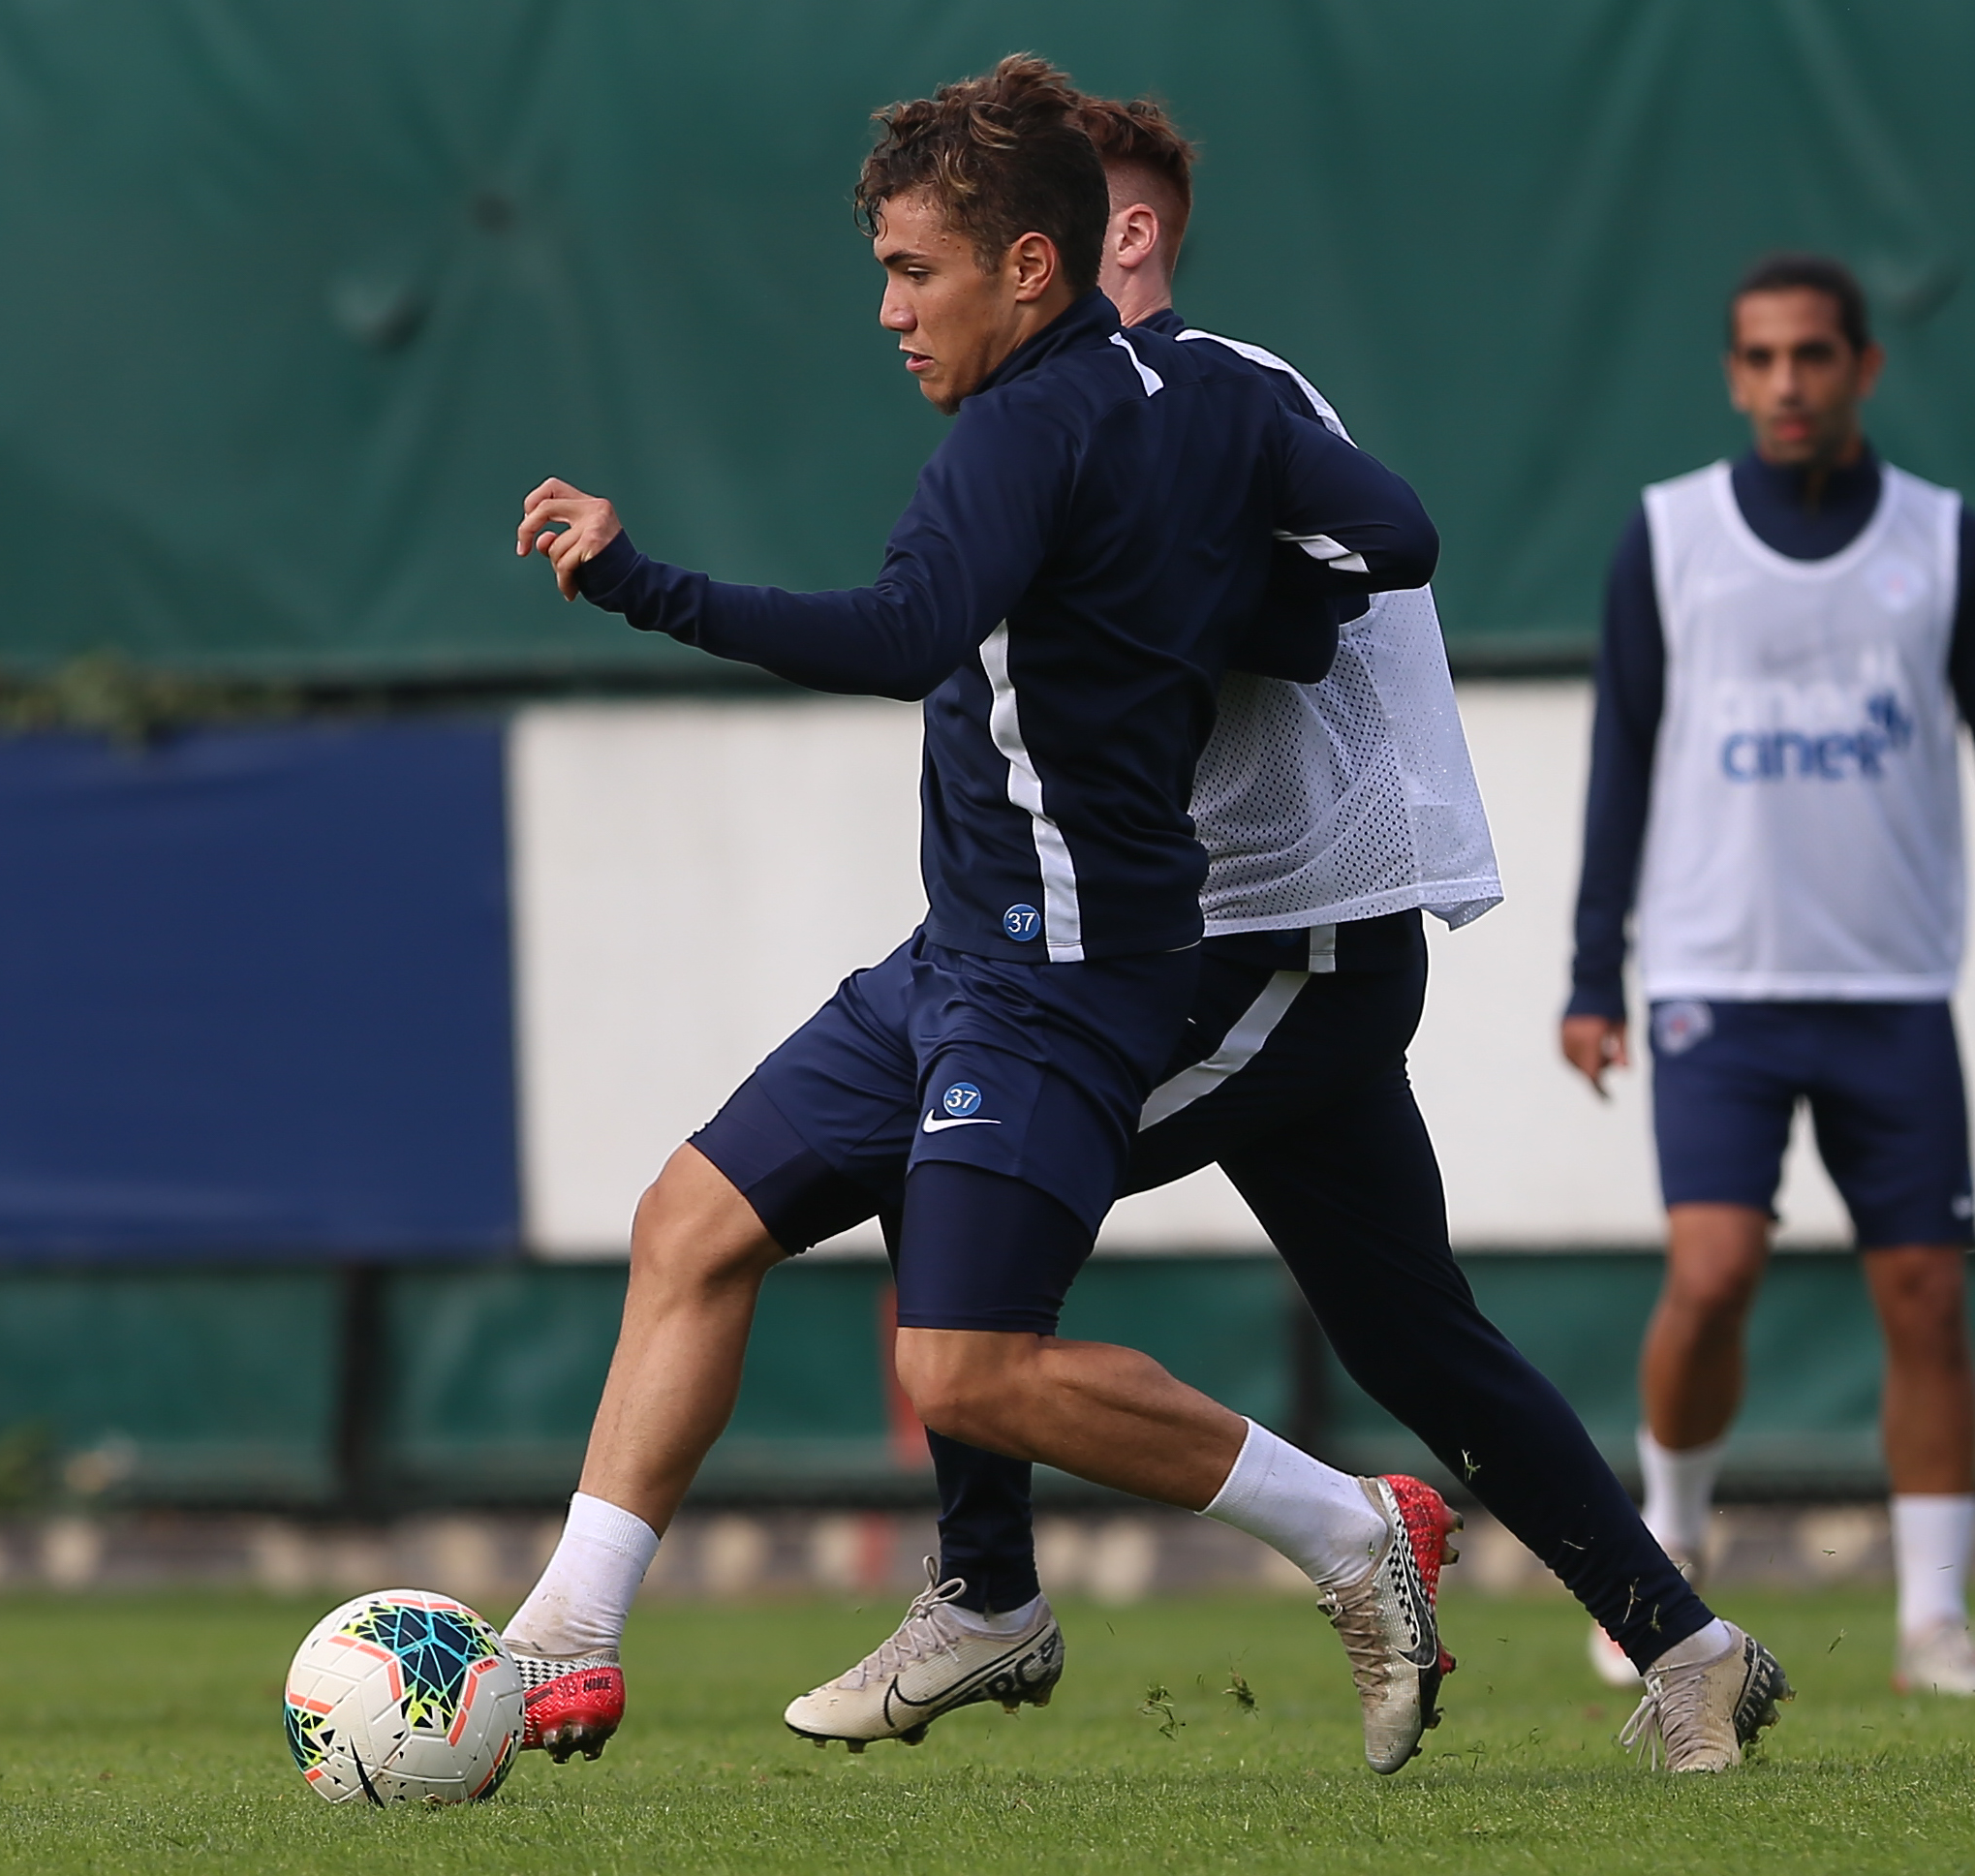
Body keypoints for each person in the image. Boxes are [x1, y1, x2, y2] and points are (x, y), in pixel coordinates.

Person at [778, 91, 1791, 1778]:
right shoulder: (1078, 422)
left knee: (945, 1171)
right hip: (1229, 945)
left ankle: (985, 1587)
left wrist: (1213, 600)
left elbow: (1364, 561)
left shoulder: (1214, 391)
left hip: (1279, 939)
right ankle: (1690, 1648)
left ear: (1116, 238)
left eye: (1051, 223)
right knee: (1411, 1335)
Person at [509, 55, 1458, 1777]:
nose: (887, 310)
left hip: (1064, 979)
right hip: (960, 954)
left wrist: (639, 582)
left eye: (912, 270)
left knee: (965, 1367)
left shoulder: (1017, 437)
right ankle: (565, 1635)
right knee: (689, 1221)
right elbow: (1391, 537)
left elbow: (898, 638)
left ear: (1029, 265)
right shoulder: (1202, 394)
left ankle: (1350, 1529)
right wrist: (1222, 596)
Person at [1561, 252, 1975, 1698]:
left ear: (1863, 368)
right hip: (1717, 982)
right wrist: (1591, 969)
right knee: (1711, 1274)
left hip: (1890, 989)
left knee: (1926, 1295)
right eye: (1758, 358)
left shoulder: (1945, 543)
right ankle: (1661, 1559)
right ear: (1730, 375)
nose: (1786, 383)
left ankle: (1933, 1619)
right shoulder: (1671, 537)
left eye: (1811, 355)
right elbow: (1621, 758)